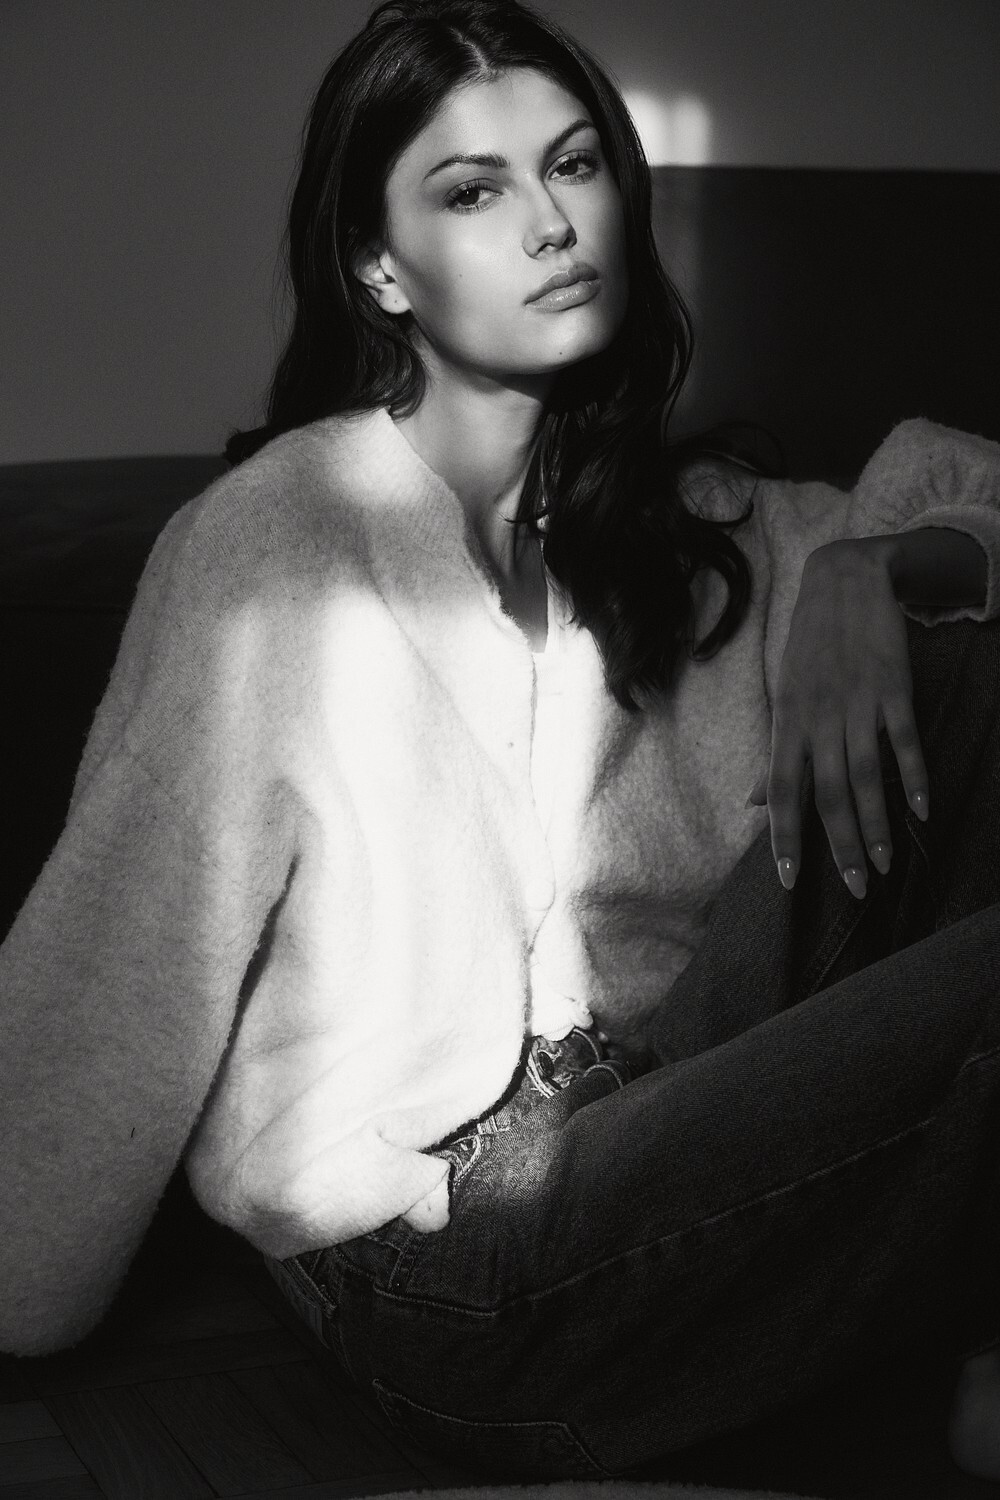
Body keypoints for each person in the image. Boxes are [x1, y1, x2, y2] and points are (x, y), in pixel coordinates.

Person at [2, 0, 1000, 1482]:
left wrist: (878, 570)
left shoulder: (701, 527)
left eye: (574, 165)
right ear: (379, 266)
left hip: (673, 1088)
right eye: (474, 190)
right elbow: (128, 939)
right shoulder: (277, 549)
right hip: (445, 1242)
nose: (549, 222)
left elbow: (968, 490)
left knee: (959, 660)